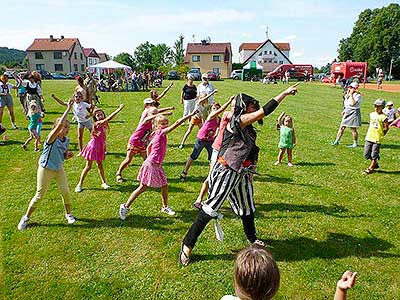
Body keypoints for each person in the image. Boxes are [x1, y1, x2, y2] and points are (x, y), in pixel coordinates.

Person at [179, 84, 299, 266]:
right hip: (226, 171)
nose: (256, 108)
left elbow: (252, 150)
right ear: (243, 108)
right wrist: (284, 93)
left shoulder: (249, 130)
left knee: (247, 206)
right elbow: (265, 111)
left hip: (242, 173)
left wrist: (252, 168)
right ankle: (187, 244)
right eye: (252, 105)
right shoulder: (237, 122)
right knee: (210, 208)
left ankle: (252, 238)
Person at [119, 110, 198, 219]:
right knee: (143, 187)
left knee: (164, 185)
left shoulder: (155, 133)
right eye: (162, 124)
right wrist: (190, 114)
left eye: (166, 123)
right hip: (152, 164)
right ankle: (125, 206)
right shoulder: (161, 133)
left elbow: (149, 147)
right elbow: (177, 123)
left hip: (155, 164)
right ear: (156, 125)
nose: (165, 125)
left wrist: (150, 159)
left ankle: (164, 206)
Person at [17, 100, 76, 230]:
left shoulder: (66, 140)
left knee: (65, 192)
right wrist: (68, 108)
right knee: (39, 195)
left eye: (68, 127)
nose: (66, 129)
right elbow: (60, 124)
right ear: (56, 128)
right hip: (45, 169)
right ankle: (26, 217)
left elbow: (63, 155)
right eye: (64, 127)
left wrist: (68, 155)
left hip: (58, 168)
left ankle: (68, 214)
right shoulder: (51, 138)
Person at [193, 97, 235, 209]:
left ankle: (225, 199)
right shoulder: (223, 115)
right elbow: (223, 112)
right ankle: (200, 199)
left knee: (227, 175)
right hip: (217, 148)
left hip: (225, 150)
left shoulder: (222, 119)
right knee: (211, 175)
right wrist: (229, 101)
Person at [115, 106, 174, 183]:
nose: (155, 115)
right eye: (153, 113)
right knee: (128, 160)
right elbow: (153, 116)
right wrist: (162, 114)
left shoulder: (155, 124)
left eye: (156, 113)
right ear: (148, 114)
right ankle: (118, 173)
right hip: (135, 142)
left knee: (147, 161)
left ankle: (147, 177)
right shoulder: (145, 120)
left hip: (143, 144)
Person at [75, 104, 124, 192]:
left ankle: (104, 182)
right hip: (93, 147)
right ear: (95, 117)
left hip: (100, 147)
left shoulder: (104, 124)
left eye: (101, 114)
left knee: (100, 165)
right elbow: (108, 119)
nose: (100, 116)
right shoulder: (98, 124)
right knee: (88, 166)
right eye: (97, 115)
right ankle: (79, 184)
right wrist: (118, 109)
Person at [180, 99, 231, 182]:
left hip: (210, 141)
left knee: (212, 158)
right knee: (194, 156)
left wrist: (215, 134)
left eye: (217, 108)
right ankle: (184, 172)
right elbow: (221, 111)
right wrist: (229, 101)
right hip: (201, 139)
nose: (216, 110)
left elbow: (219, 129)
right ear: (211, 110)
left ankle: (211, 176)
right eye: (214, 108)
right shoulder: (210, 116)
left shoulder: (219, 119)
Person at [331, 82, 362, 147]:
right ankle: (336, 141)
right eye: (349, 87)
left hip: (354, 112)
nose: (350, 89)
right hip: (348, 111)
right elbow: (346, 104)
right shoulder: (346, 95)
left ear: (355, 88)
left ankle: (355, 143)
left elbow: (353, 103)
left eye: (352, 88)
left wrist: (351, 95)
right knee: (342, 127)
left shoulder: (358, 96)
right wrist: (344, 110)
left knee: (353, 129)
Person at [363, 99, 389, 175]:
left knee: (374, 154)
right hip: (369, 136)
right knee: (366, 154)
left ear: (383, 107)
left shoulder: (384, 117)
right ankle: (375, 163)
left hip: (377, 138)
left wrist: (382, 134)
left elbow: (386, 127)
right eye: (375, 106)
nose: (376, 108)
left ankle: (370, 168)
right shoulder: (372, 114)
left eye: (379, 106)